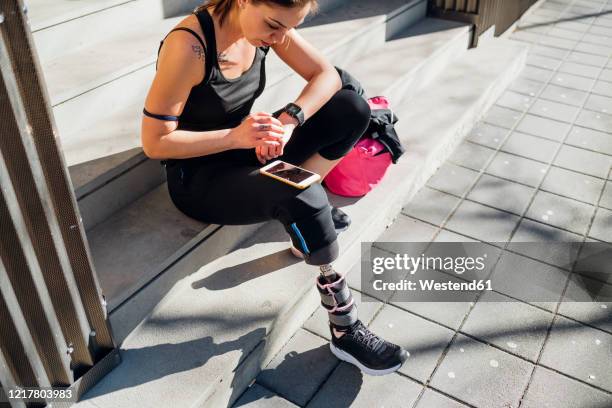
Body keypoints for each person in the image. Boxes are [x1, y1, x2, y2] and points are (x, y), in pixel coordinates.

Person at [140, 0, 408, 376]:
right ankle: (344, 327)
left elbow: (326, 74)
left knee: (352, 108)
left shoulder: (265, 26)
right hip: (200, 178)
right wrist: (235, 137)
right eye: (274, 26)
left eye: (287, 28)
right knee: (303, 195)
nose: (280, 37)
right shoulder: (190, 47)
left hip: (246, 148)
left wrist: (290, 120)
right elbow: (155, 143)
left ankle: (305, 223)